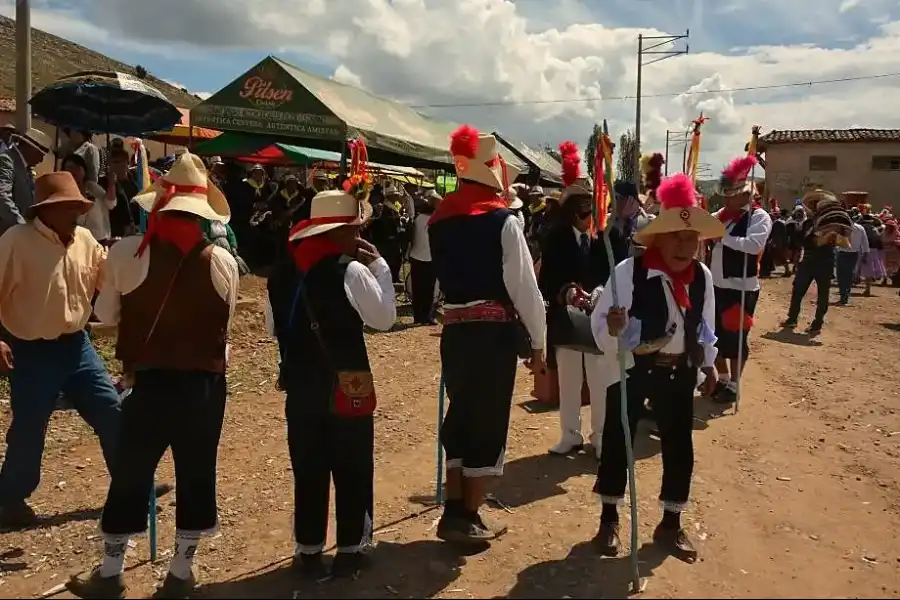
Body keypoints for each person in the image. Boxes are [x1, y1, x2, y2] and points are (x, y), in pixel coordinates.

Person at [67, 153, 239, 599]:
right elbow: (224, 324)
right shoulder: (223, 260)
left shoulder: (126, 251)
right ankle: (181, 573)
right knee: (197, 472)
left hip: (148, 382)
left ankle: (111, 572)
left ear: (158, 205)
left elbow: (104, 315)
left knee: (131, 472)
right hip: (204, 386)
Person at [266, 159, 396, 579]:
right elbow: (383, 318)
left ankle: (308, 549)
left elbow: (273, 327)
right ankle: (352, 548)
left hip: (301, 381)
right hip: (348, 378)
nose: (360, 235)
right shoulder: (352, 269)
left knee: (308, 463)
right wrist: (380, 268)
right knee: (353, 460)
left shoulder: (281, 273)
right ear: (339, 232)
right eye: (355, 229)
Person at [590, 173, 723, 561]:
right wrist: (613, 329)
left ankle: (670, 524)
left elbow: (704, 326)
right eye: (677, 237)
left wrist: (708, 366)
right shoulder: (630, 273)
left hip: (679, 371)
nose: (686, 245)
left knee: (680, 446)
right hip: (634, 369)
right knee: (619, 440)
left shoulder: (702, 276)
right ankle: (609, 518)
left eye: (691, 238)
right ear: (658, 238)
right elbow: (602, 326)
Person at [428, 125, 545, 543]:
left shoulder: (439, 221)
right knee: (487, 421)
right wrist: (538, 341)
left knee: (461, 415)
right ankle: (468, 515)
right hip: (492, 336)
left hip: (456, 334)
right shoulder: (502, 221)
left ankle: (455, 510)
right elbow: (524, 288)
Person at [0, 172, 121, 528]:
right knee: (29, 426)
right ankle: (9, 500)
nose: (76, 213)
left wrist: (121, 258)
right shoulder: (16, 241)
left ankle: (131, 485)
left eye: (77, 207)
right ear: (46, 211)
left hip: (77, 346)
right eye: (68, 207)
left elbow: (106, 279)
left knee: (111, 410)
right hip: (31, 349)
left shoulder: (85, 240)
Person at [540, 141, 626, 457]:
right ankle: (570, 434)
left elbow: (620, 273)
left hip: (600, 320)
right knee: (569, 381)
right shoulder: (555, 238)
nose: (586, 212)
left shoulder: (610, 237)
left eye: (590, 204)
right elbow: (546, 280)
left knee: (600, 379)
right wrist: (566, 292)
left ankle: (600, 436)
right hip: (566, 319)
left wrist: (602, 292)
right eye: (580, 205)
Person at [709, 155, 772, 404]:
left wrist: (721, 237)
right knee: (712, 335)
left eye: (730, 195)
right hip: (715, 286)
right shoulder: (721, 215)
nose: (725, 200)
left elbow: (754, 245)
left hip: (741, 287)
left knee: (735, 338)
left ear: (745, 194)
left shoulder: (759, 217)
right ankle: (722, 378)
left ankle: (734, 384)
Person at [782, 189, 852, 335]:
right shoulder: (809, 223)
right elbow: (800, 240)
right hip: (809, 261)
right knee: (799, 291)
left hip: (822, 262)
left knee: (822, 295)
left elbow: (840, 241)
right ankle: (793, 319)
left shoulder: (831, 225)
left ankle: (817, 323)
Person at [0, 127, 52, 235]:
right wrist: (22, 225)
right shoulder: (7, 160)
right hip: (7, 232)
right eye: (40, 155)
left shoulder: (26, 168)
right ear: (29, 148)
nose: (41, 160)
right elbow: (3, 197)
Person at [62, 153, 117, 245]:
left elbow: (110, 204)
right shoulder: (63, 192)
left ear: (84, 170)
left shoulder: (92, 187)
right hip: (78, 242)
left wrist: (111, 184)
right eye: (69, 167)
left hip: (101, 240)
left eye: (77, 167)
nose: (73, 171)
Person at [409, 189, 440, 325]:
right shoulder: (435, 220)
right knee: (429, 289)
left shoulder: (418, 218)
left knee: (418, 288)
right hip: (429, 257)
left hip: (416, 255)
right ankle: (427, 316)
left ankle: (418, 316)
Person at [836, 215, 869, 304]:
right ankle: (844, 295)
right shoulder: (844, 227)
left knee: (845, 275)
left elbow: (865, 242)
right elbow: (865, 242)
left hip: (849, 253)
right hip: (847, 253)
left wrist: (865, 253)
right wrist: (865, 253)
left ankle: (844, 296)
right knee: (844, 275)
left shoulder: (856, 228)